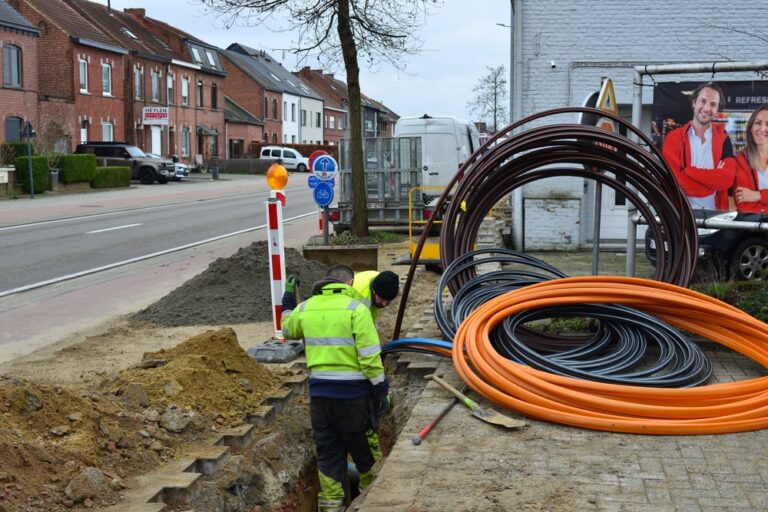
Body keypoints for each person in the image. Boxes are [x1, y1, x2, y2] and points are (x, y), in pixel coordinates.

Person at [281, 264, 390, 512]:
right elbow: (370, 359)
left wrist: (288, 299)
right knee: (366, 457)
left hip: (320, 400)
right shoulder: (357, 309)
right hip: (355, 398)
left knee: (329, 457)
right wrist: (381, 390)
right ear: (350, 283)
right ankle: (369, 502)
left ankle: (331, 507)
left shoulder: (305, 308)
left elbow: (286, 329)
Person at [662, 82, 735, 210]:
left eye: (713, 104)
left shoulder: (723, 139)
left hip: (715, 216)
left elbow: (726, 179)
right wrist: (712, 185)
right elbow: (674, 180)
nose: (707, 108)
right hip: (681, 215)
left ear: (717, 110)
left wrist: (689, 171)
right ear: (694, 102)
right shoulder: (673, 138)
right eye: (703, 101)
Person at [730, 104, 768, 212]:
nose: (762, 129)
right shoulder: (740, 161)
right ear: (751, 128)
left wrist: (758, 195)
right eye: (758, 123)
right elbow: (743, 204)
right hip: (752, 222)